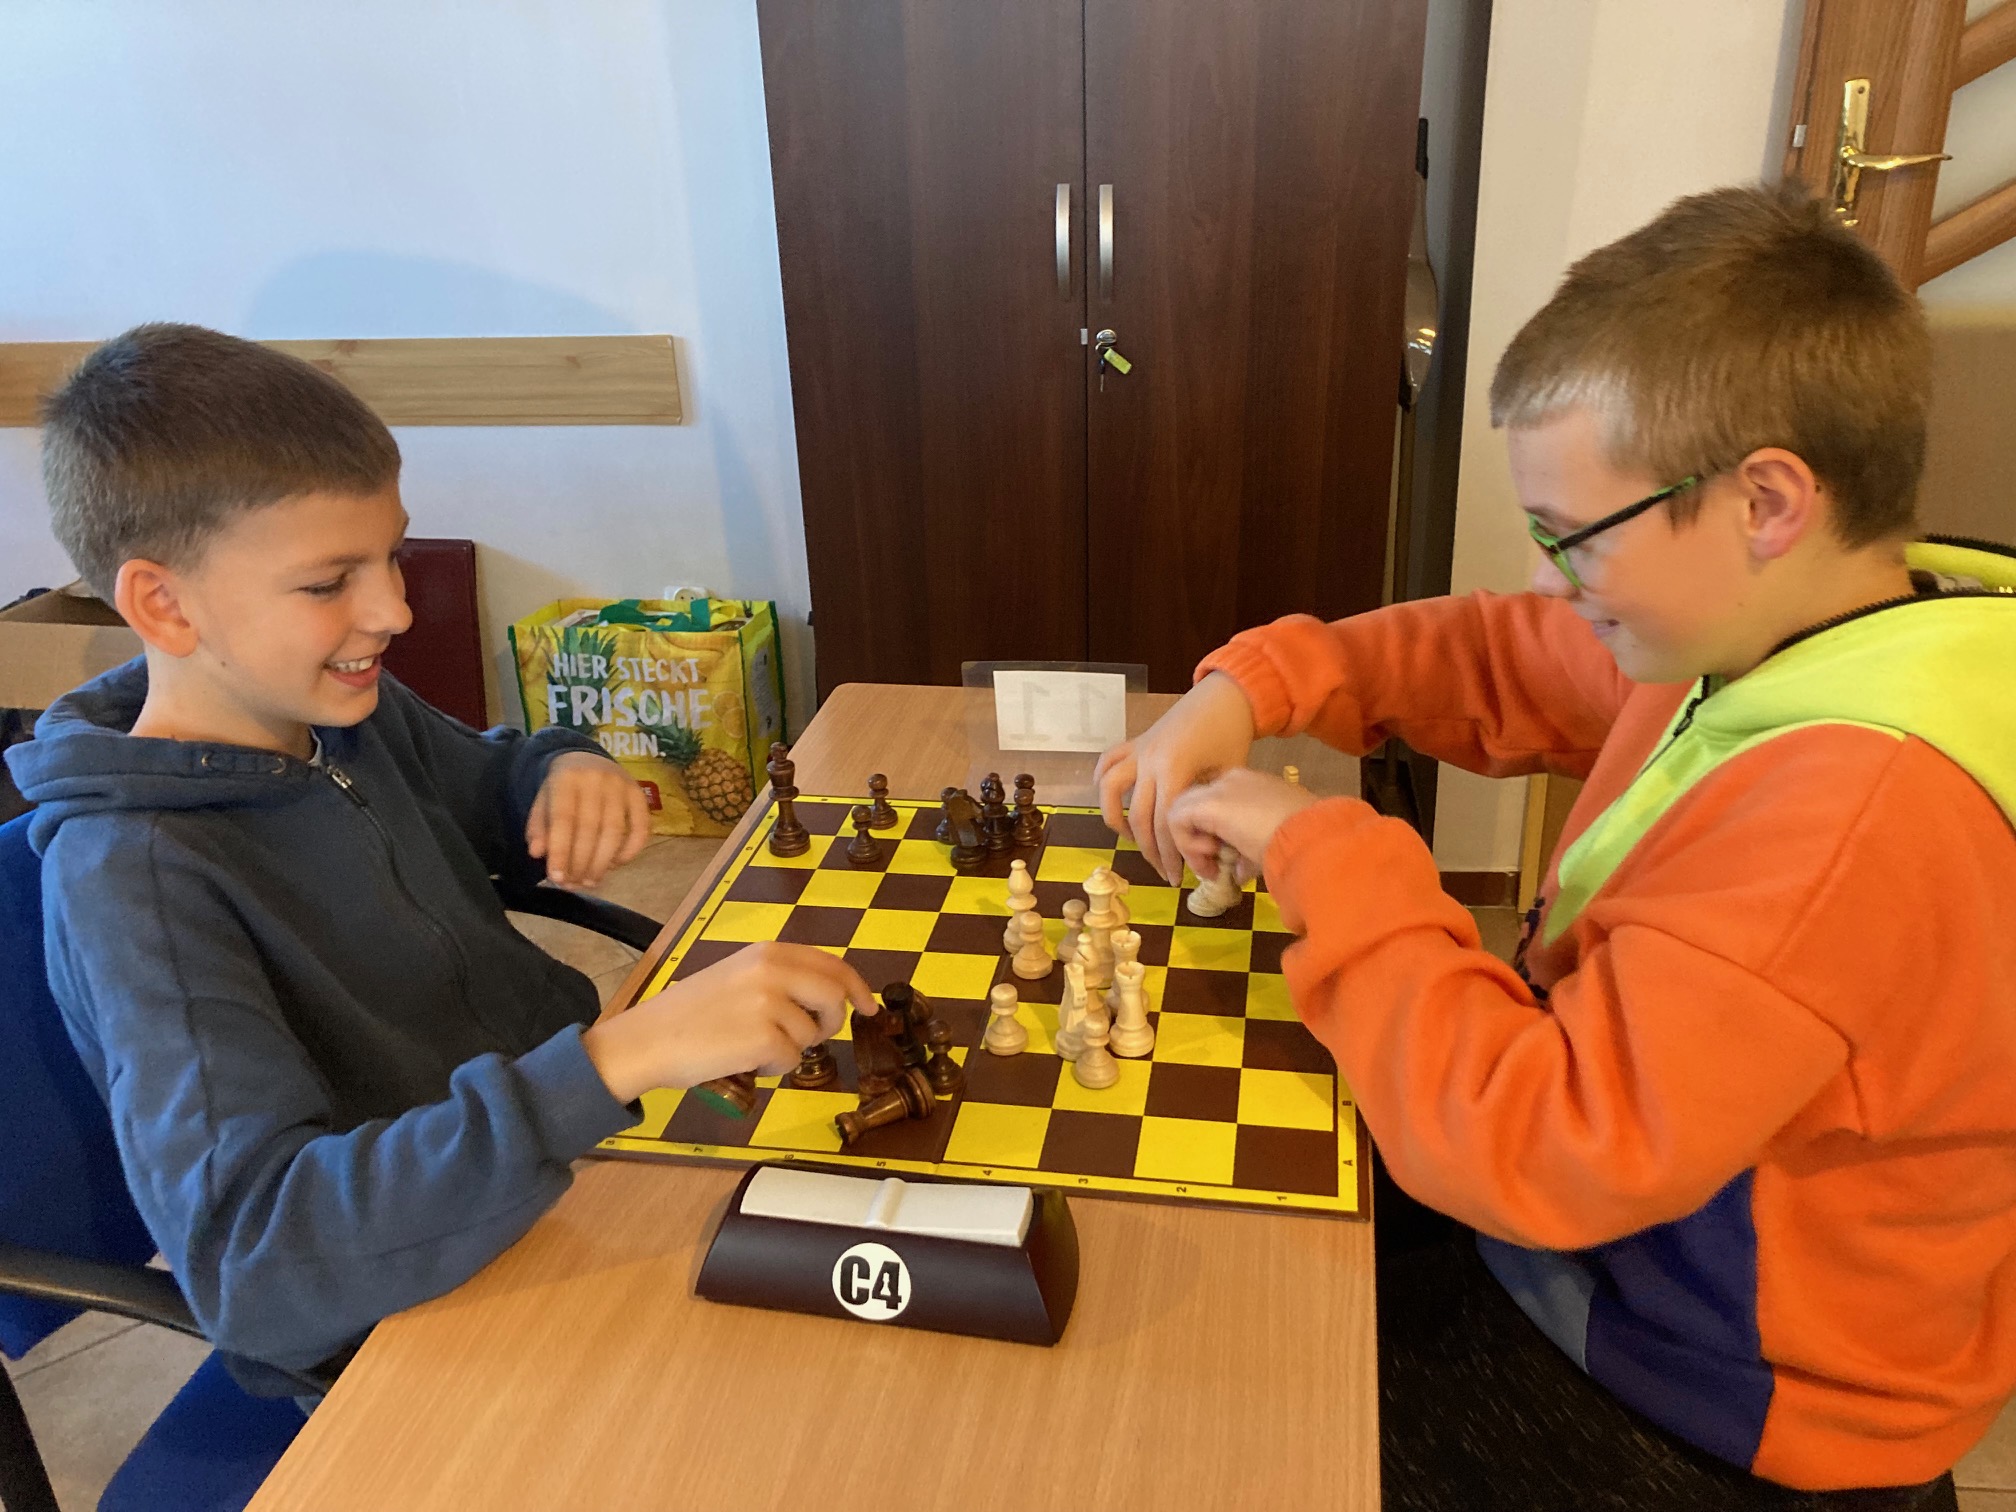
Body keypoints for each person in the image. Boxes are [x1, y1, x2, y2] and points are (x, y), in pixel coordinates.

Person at [1097, 184, 2015, 1510]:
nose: (1542, 576)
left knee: (1196, 1415)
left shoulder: (1859, 822)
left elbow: (1537, 1149)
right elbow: (1498, 651)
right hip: (1620, 1249)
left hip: (1719, 1396)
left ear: (1766, 501)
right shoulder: (1790, 626)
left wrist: (1321, 849)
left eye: (1569, 537)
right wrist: (1255, 686)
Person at [5, 323, 871, 1392]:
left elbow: (494, 781)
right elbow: (254, 1264)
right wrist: (611, 1064)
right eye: (330, 582)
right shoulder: (134, 881)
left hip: (568, 1163)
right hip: (407, 1312)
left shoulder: (341, 715)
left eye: (394, 556)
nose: (396, 610)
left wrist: (560, 769)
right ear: (162, 603)